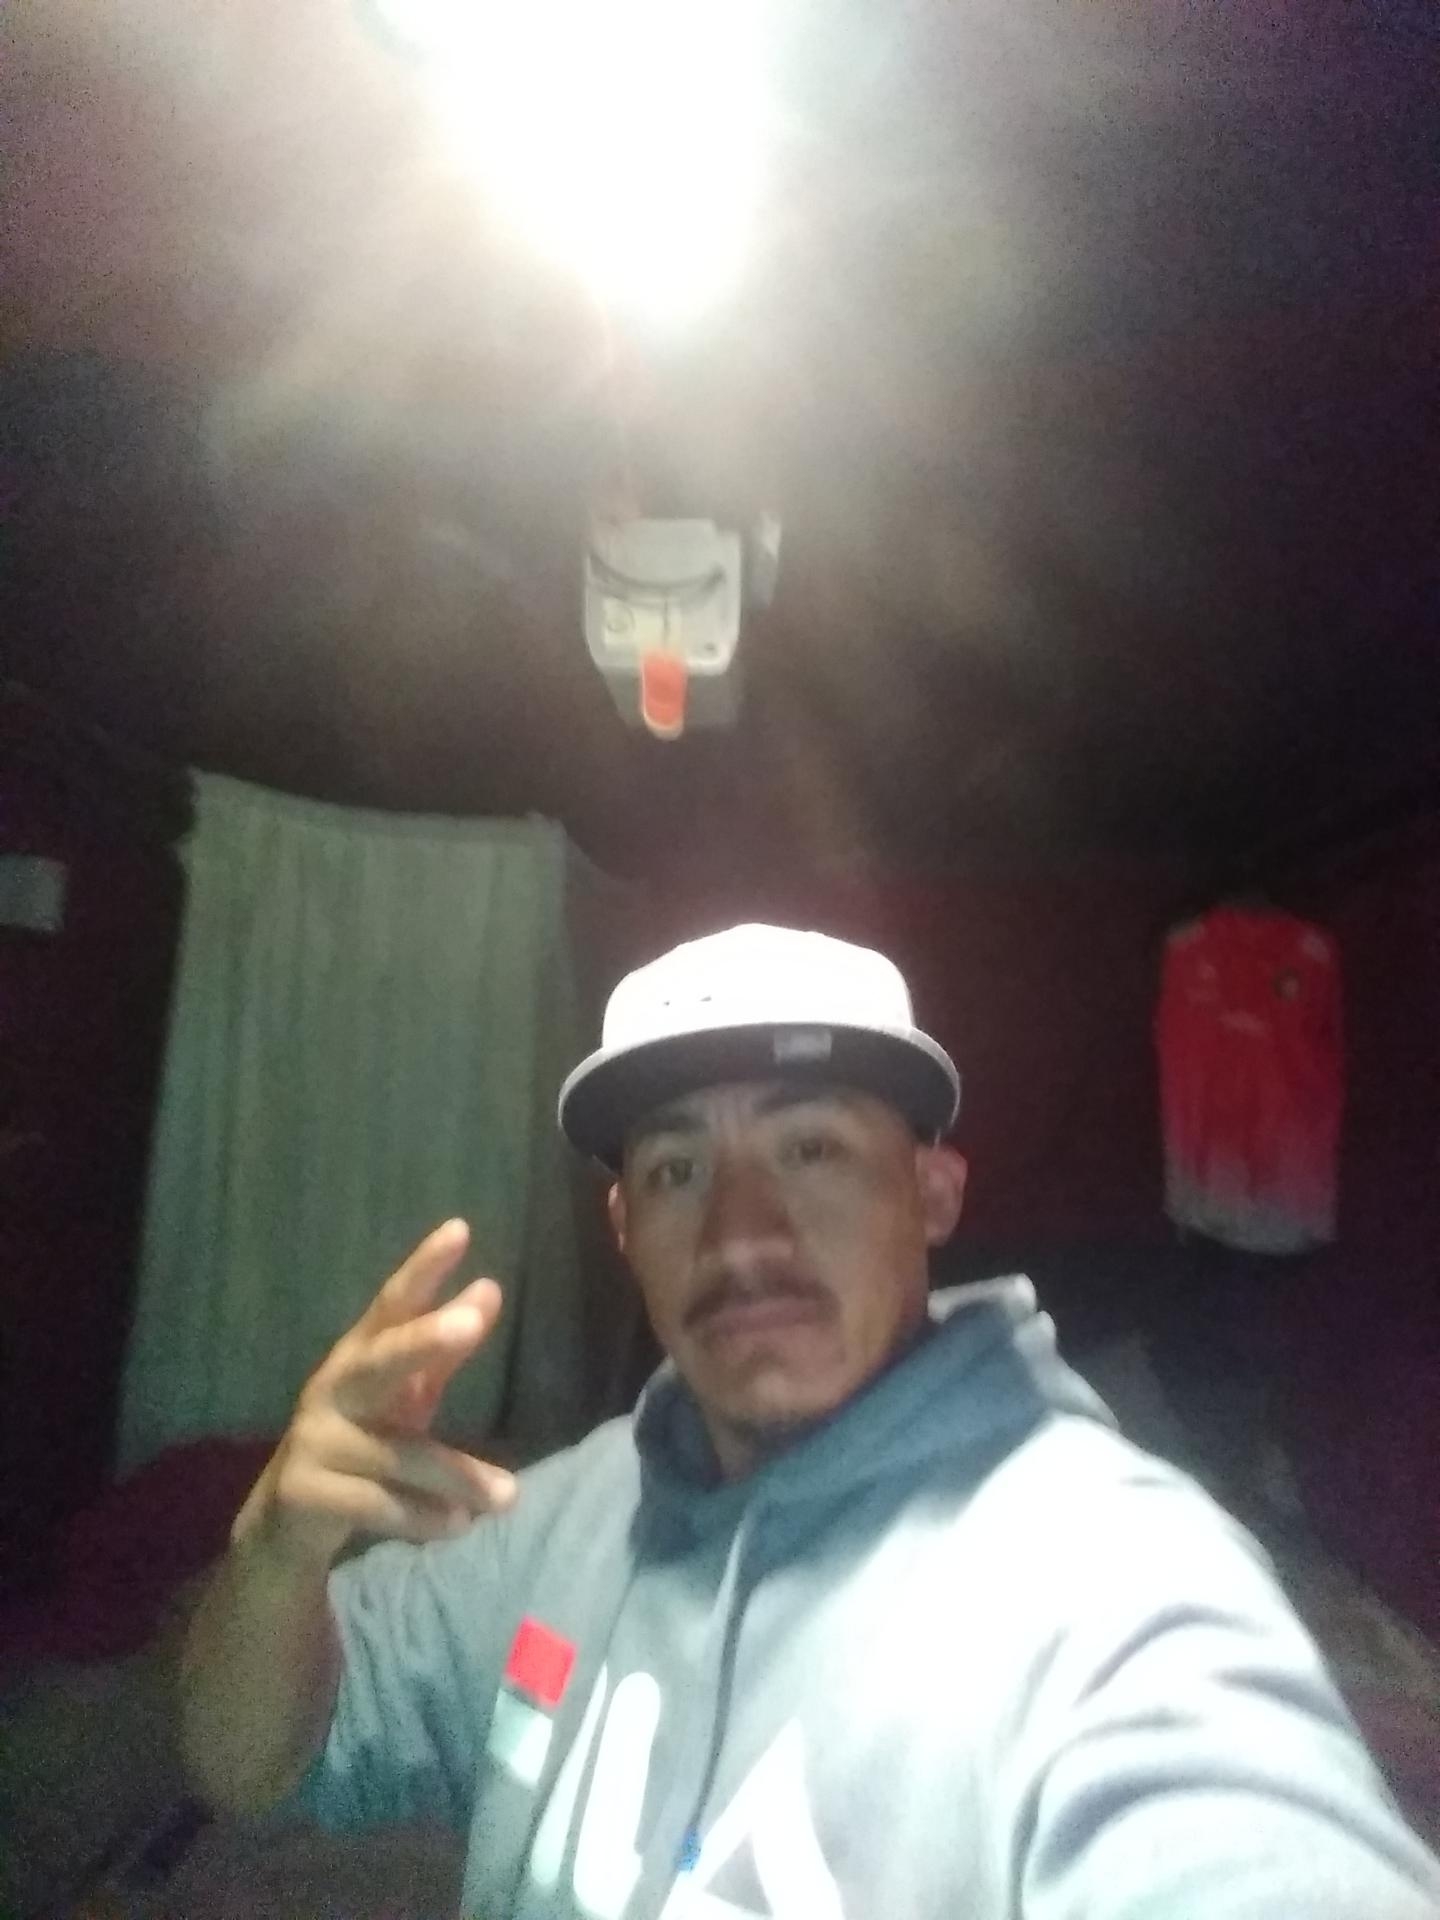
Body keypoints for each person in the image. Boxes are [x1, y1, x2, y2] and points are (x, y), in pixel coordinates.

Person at [179, 923, 1440, 1919]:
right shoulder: (556, 1516)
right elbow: (245, 1761)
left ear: (933, 1193)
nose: (741, 1235)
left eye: (813, 1151)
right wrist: (271, 1559)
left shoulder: (1107, 1582)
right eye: (676, 1169)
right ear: (624, 1228)